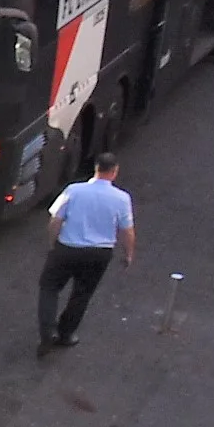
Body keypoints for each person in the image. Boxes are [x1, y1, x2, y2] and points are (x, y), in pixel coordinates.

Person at [38, 152, 133, 355]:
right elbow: (127, 230)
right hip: (99, 254)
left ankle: (48, 330)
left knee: (49, 287)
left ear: (96, 169)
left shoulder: (73, 190)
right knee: (82, 294)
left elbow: (55, 220)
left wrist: (53, 242)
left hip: (67, 248)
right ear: (114, 172)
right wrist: (128, 254)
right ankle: (66, 334)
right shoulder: (122, 199)